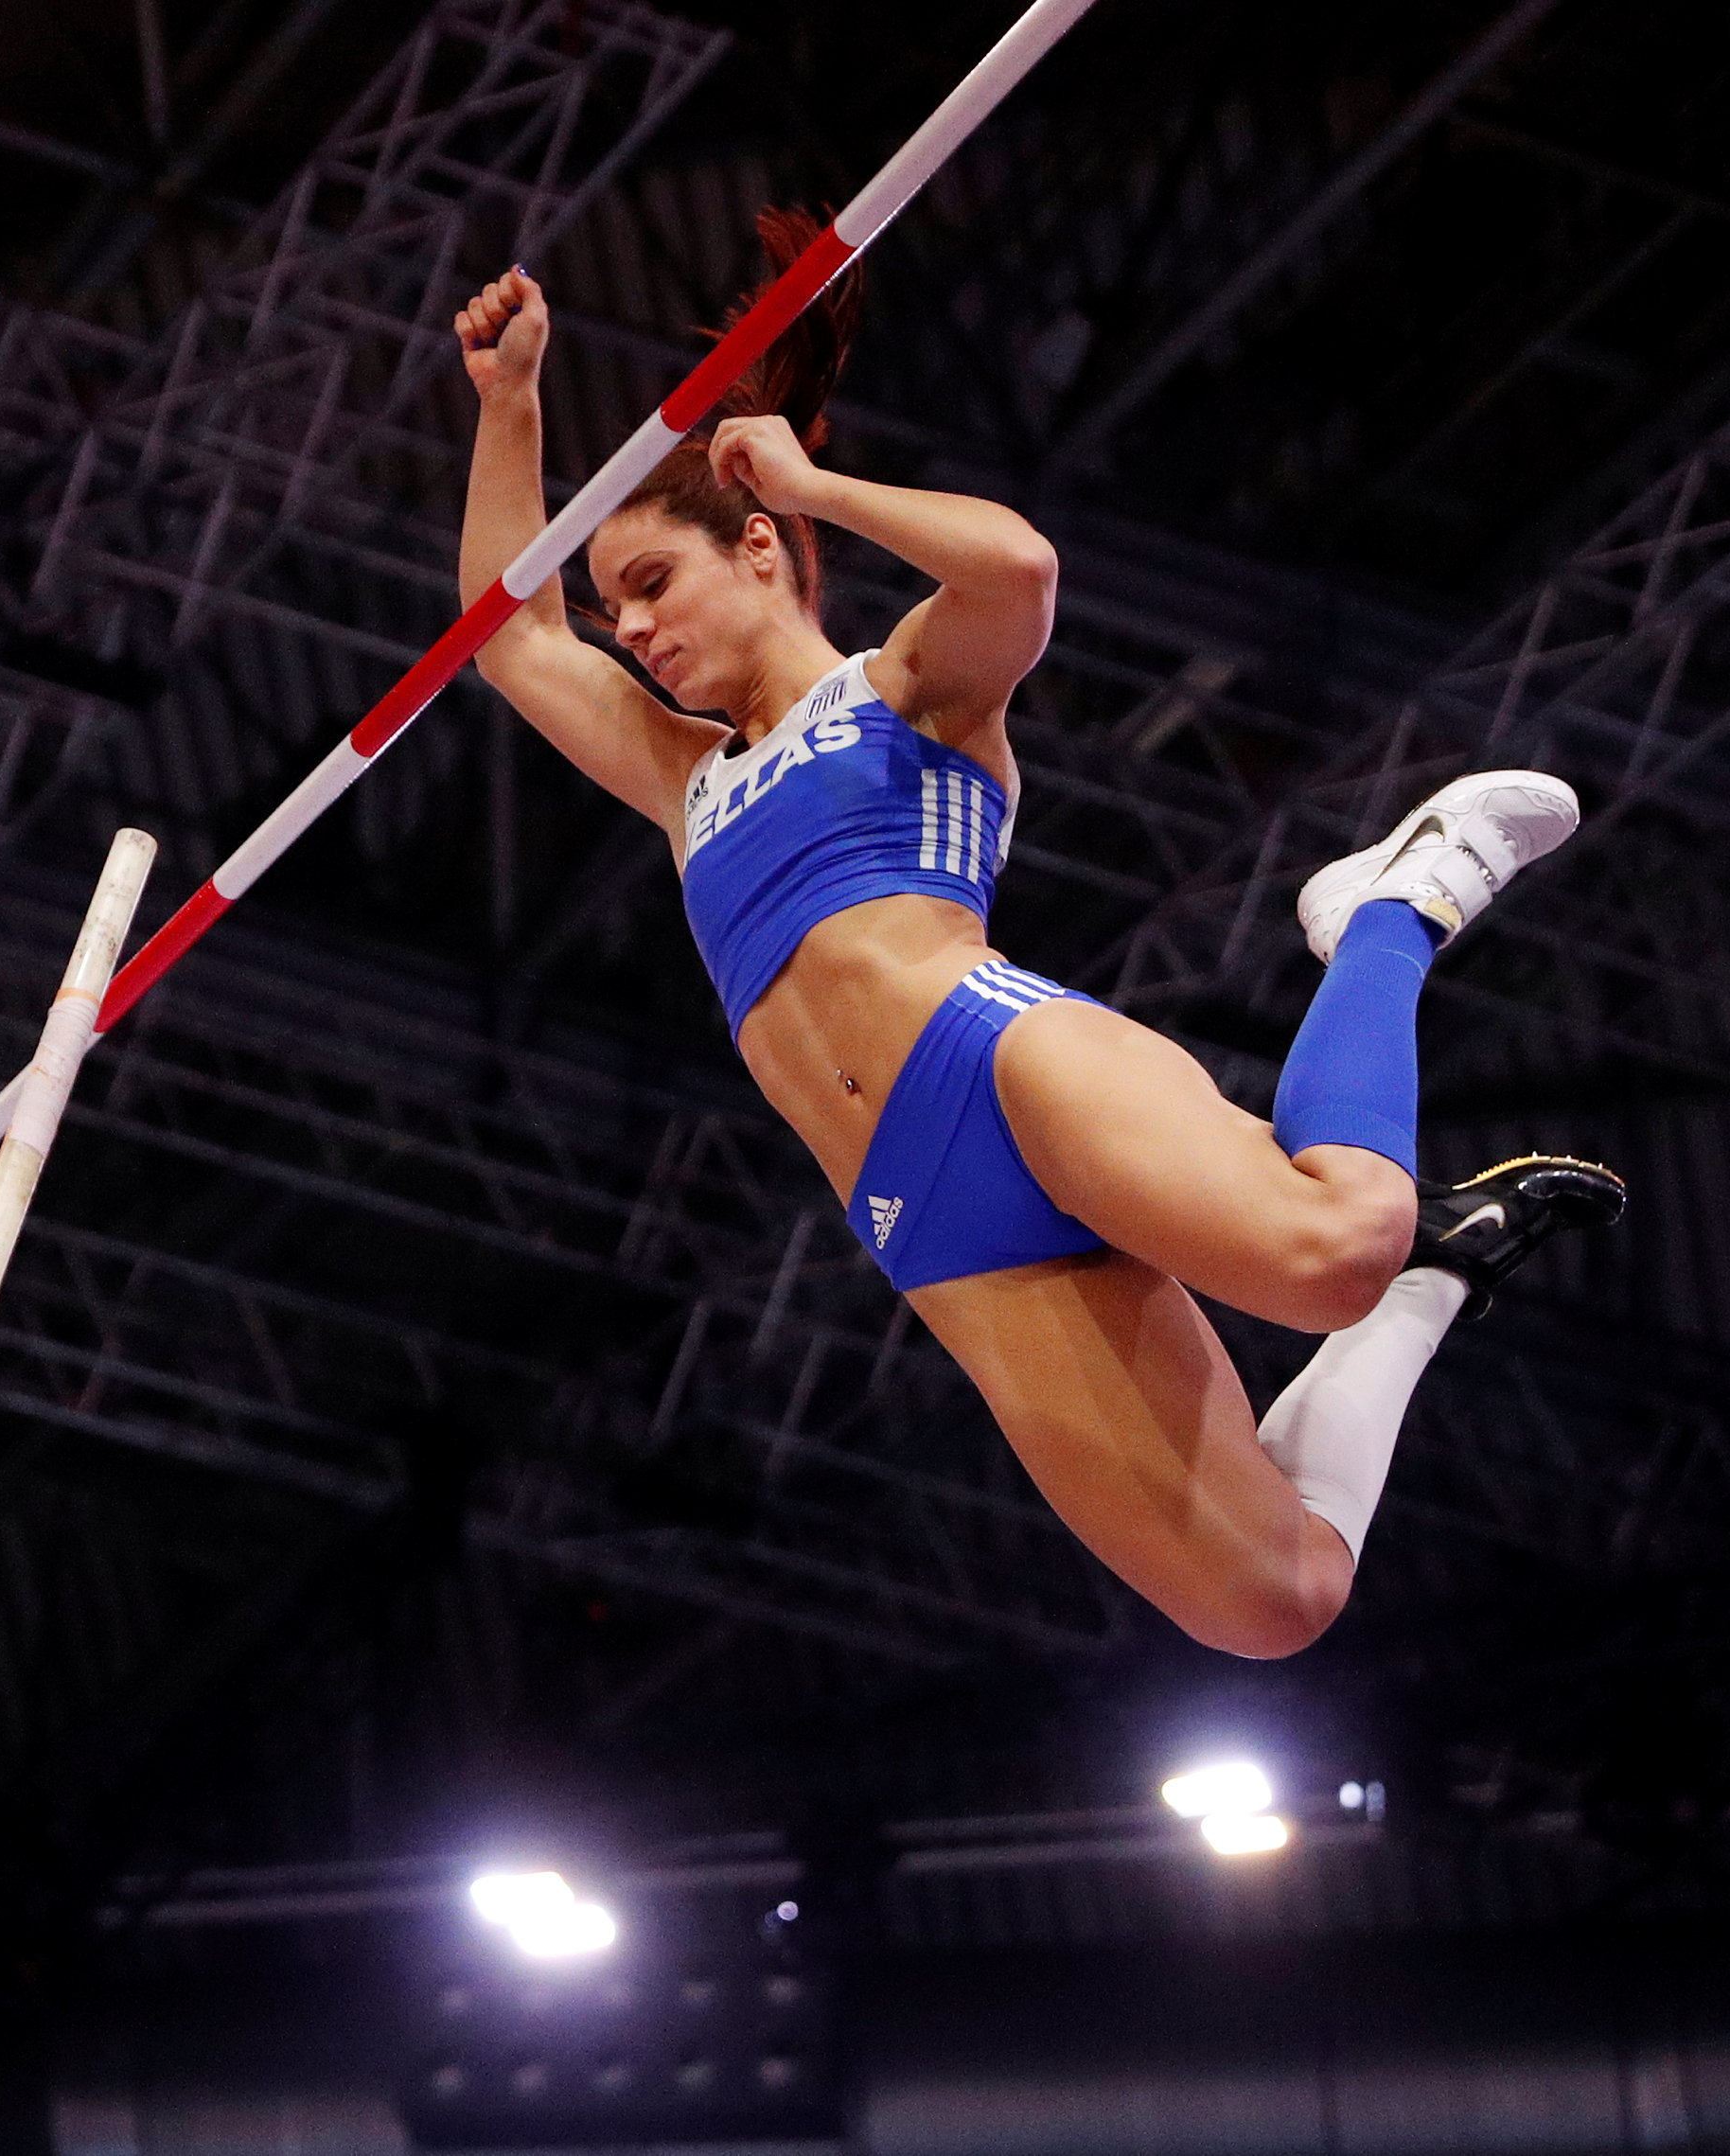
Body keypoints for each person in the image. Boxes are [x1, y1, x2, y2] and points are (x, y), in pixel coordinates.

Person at [451, 216, 1622, 1657]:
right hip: (920, 1223)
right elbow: (510, 637)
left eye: (650, 584)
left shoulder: (901, 693)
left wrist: (817, 480)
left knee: (1335, 1244)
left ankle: (1391, 905)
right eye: (616, 603)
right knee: (1276, 1601)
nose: (627, 626)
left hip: (996, 1060)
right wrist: (512, 401)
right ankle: (1443, 1272)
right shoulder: (682, 779)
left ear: (760, 550)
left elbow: (1018, 572)